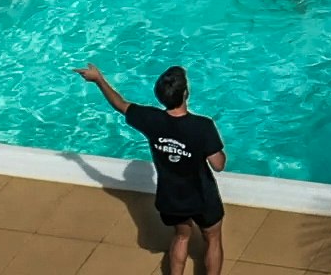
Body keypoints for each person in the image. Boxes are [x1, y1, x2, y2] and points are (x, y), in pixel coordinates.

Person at [72, 63, 225, 275]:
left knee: (181, 236)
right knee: (213, 238)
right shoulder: (202, 126)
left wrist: (98, 79)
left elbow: (120, 104)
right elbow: (218, 165)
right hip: (202, 196)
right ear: (185, 93)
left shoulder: (151, 119)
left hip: (171, 197)